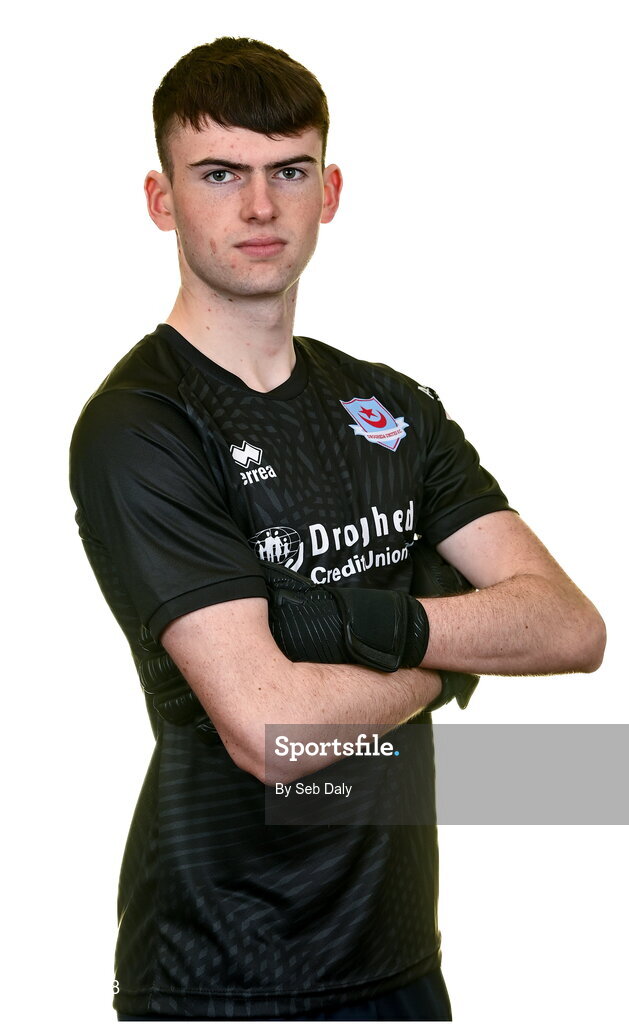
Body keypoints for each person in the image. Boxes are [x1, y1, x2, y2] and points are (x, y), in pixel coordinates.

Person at [69, 37, 606, 1022]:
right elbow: (273, 735)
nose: (259, 207)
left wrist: (373, 625)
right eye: (220, 173)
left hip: (399, 958)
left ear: (331, 189)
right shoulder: (141, 426)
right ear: (161, 199)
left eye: (289, 171)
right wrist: (446, 657)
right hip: (220, 974)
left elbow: (569, 627)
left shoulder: (389, 406)